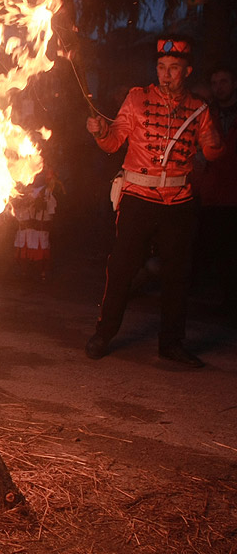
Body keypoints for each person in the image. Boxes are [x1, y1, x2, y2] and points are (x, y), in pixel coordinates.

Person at [84, 37, 223, 368]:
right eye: (162, 68)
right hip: (138, 197)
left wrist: (216, 144)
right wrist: (101, 131)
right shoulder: (136, 99)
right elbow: (114, 141)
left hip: (179, 201)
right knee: (121, 268)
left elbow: (213, 152)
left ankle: (171, 343)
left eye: (174, 69)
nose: (166, 75)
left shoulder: (200, 110)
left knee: (177, 274)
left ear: (186, 71)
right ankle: (103, 335)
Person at [192, 64, 237, 312]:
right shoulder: (207, 114)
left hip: (234, 192)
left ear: (234, 84)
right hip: (213, 194)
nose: (219, 87)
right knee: (214, 249)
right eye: (215, 83)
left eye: (224, 82)